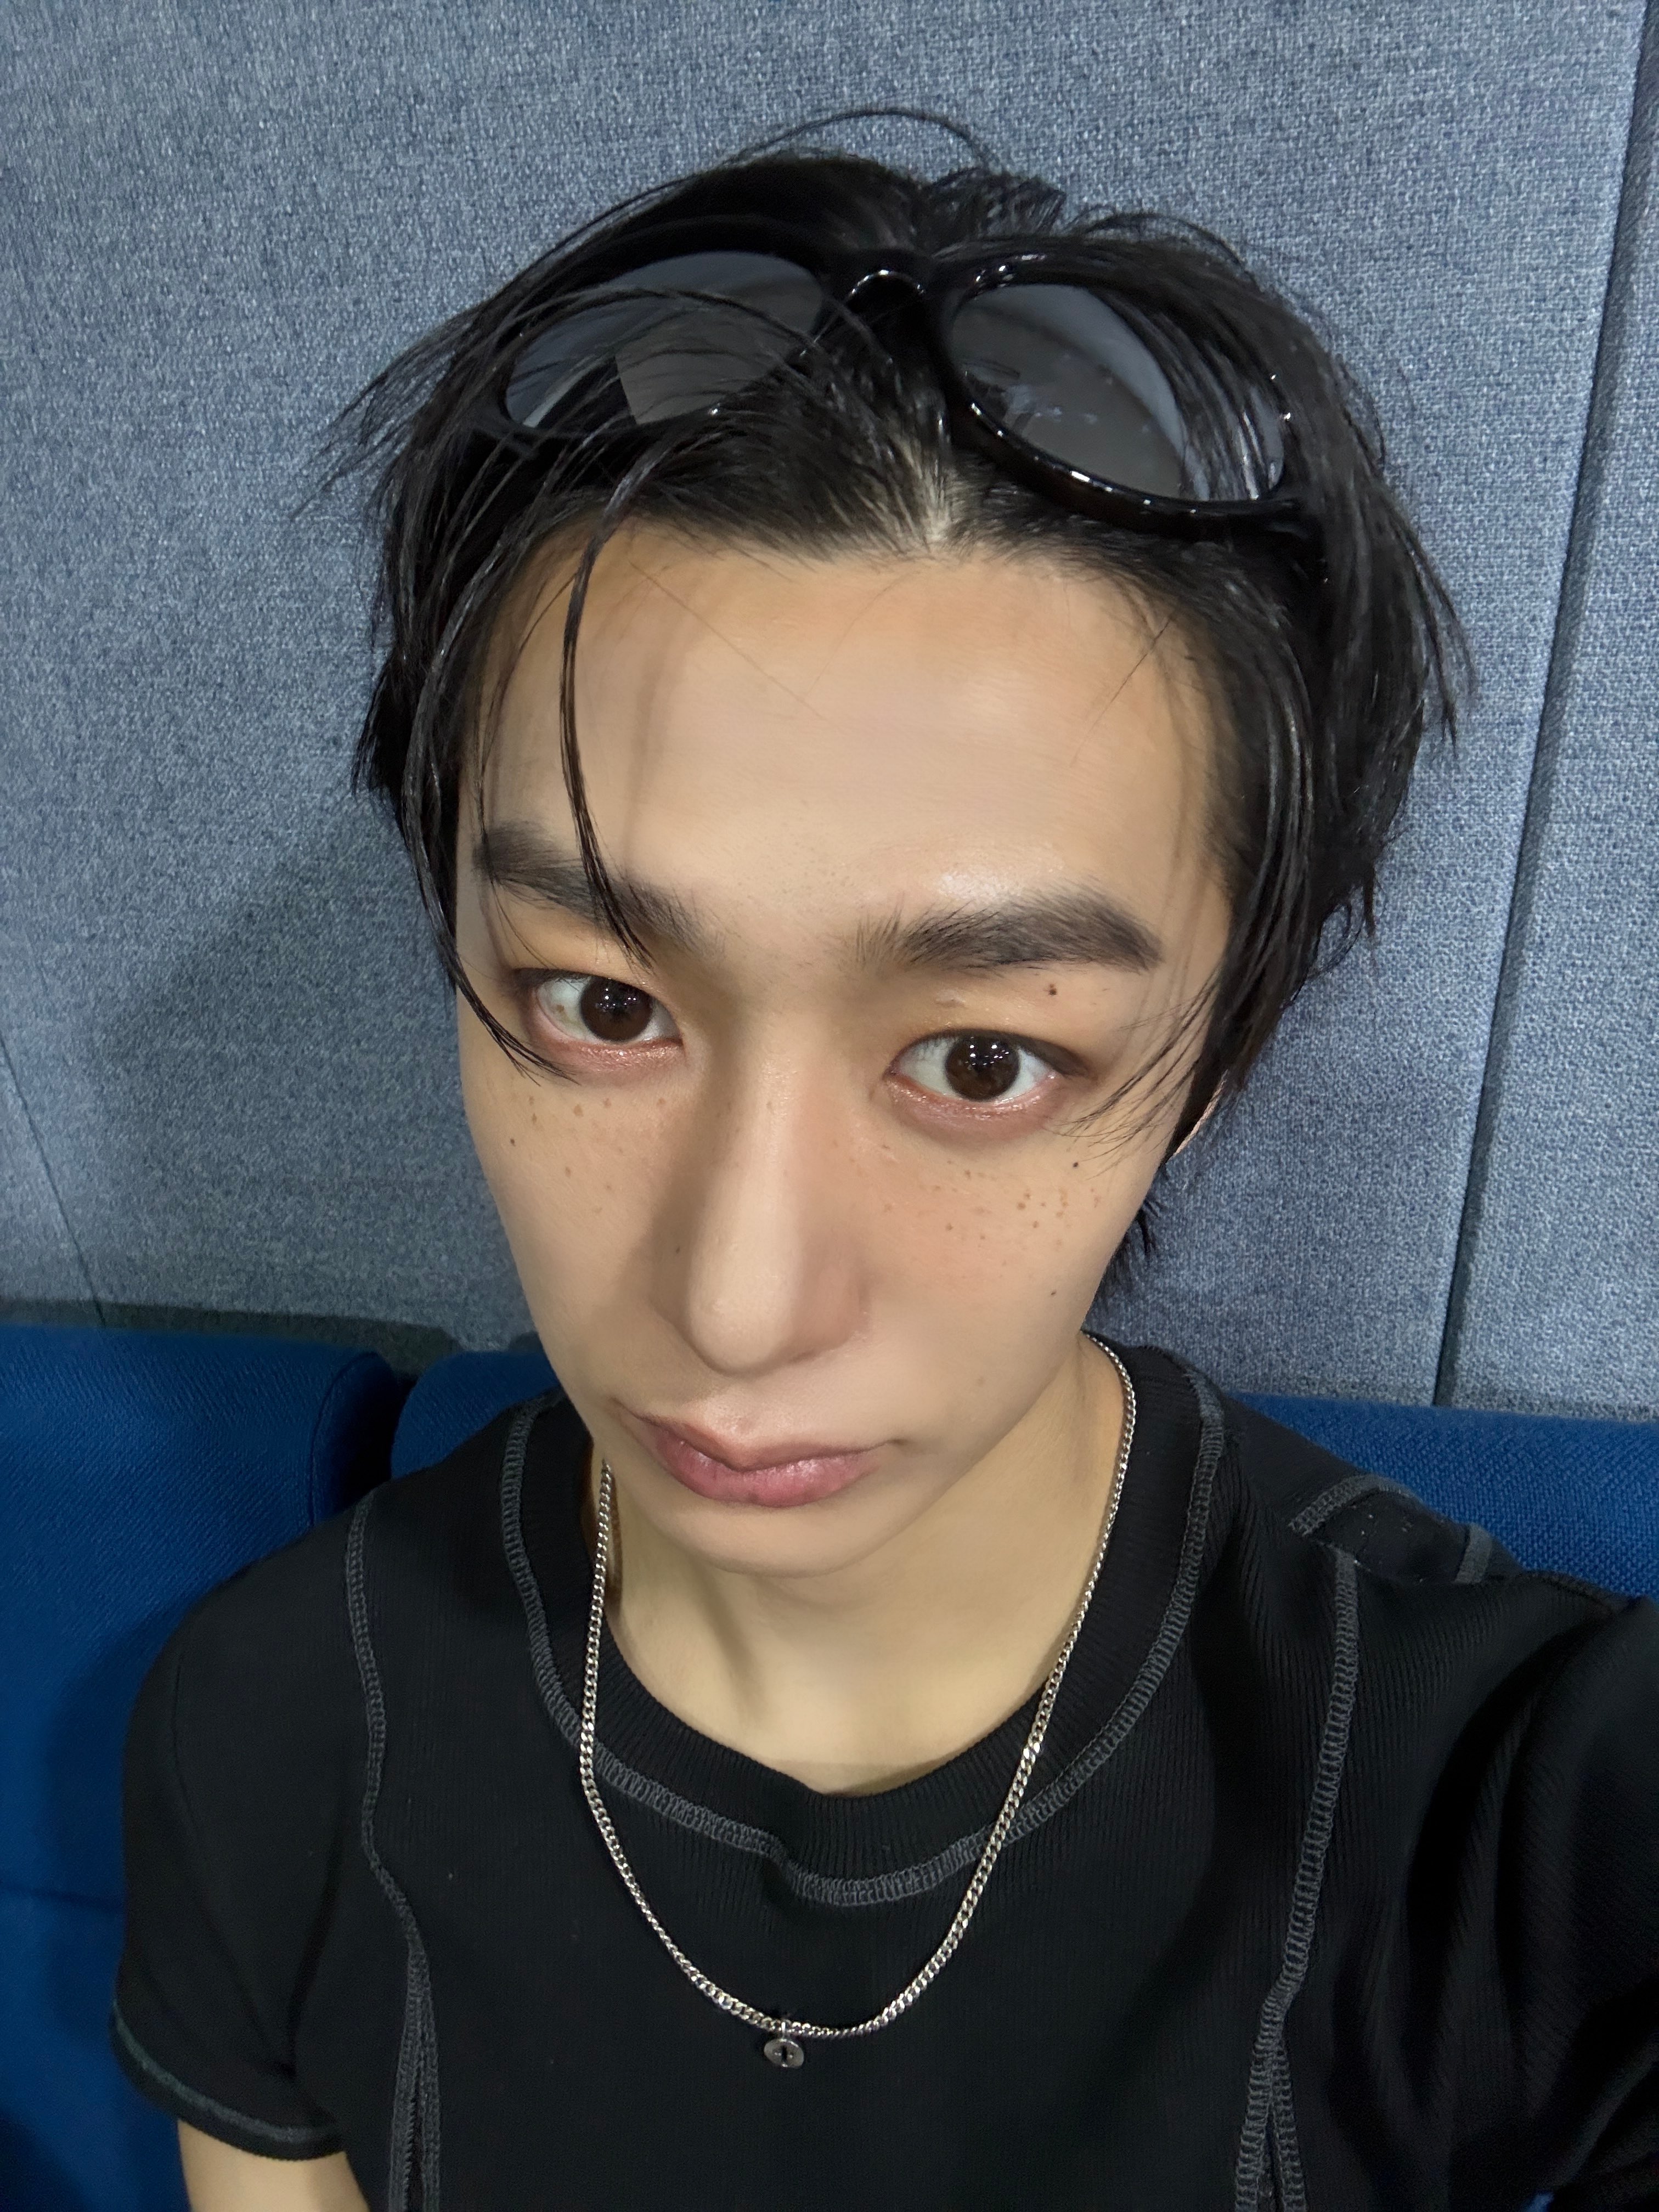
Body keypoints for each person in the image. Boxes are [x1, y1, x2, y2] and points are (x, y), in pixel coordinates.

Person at [109, 139, 1659, 2211]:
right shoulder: (279, 1731)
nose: (737, 1304)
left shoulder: (1499, 1809)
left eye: (982, 1058)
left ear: (1216, 1055)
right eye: (600, 1004)